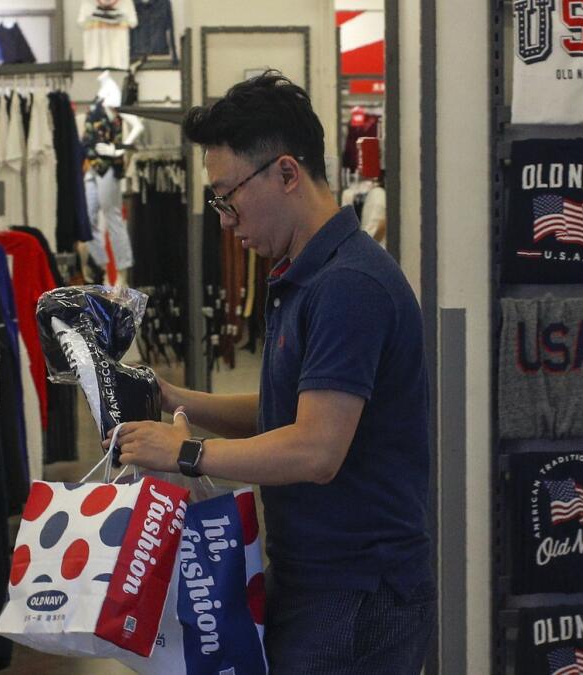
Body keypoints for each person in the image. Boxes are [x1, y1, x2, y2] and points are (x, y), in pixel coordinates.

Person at [104, 72, 435, 674]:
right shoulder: (305, 274)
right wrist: (176, 398)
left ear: (286, 173)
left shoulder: (348, 286)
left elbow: (314, 450)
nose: (226, 220)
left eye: (229, 196)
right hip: (318, 578)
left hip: (356, 592)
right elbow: (288, 411)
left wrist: (187, 453)